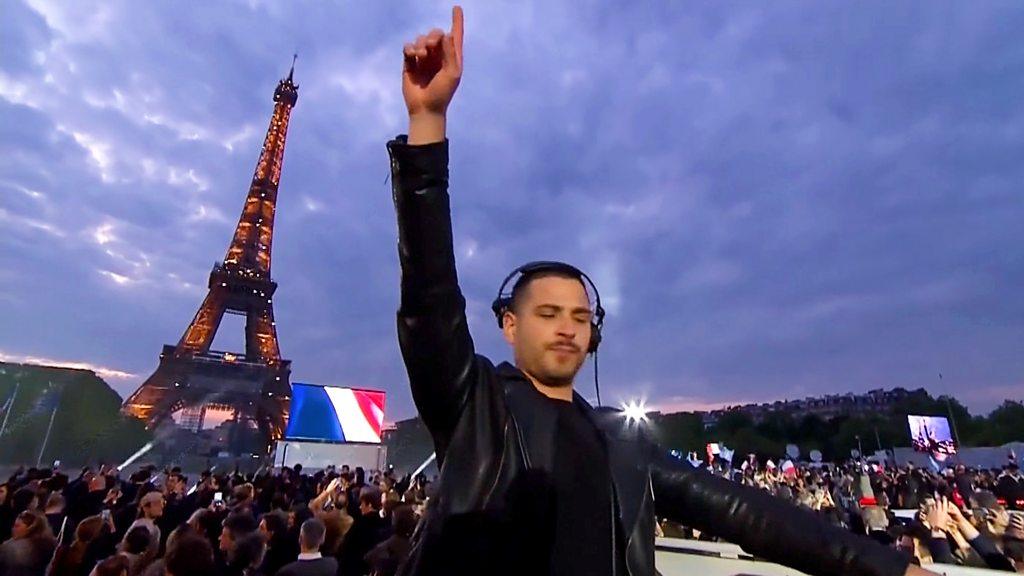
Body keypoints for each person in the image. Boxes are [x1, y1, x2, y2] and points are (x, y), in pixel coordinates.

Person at [388, 6, 940, 576]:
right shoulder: (474, 403)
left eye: (580, 316)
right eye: (549, 312)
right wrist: (428, 122)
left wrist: (888, 568)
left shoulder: (620, 445)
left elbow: (747, 514)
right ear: (509, 324)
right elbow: (429, 292)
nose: (567, 327)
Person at [335, 493, 384, 576]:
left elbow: (347, 543)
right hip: (368, 567)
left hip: (352, 566)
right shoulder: (382, 523)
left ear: (369, 505)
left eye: (362, 504)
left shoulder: (361, 523)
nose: (360, 507)